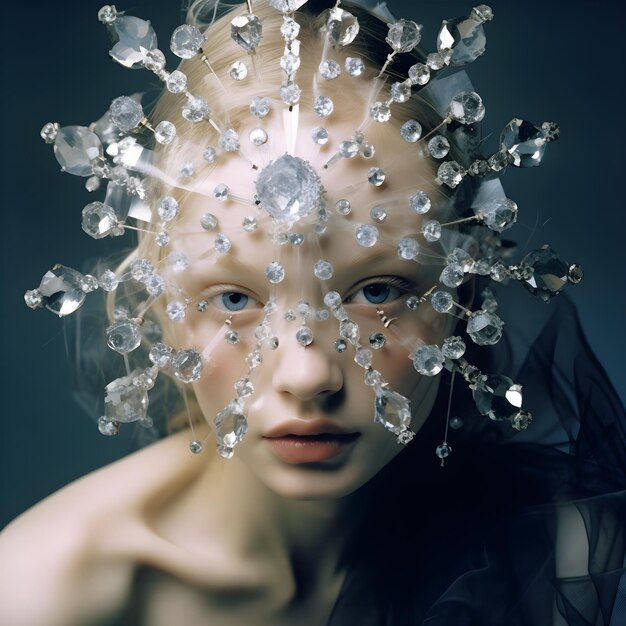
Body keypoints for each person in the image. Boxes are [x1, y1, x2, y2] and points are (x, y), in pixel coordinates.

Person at [1, 1, 624, 624]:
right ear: (161, 310)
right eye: (234, 299)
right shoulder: (44, 593)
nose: (307, 375)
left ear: (458, 296)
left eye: (378, 291)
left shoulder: (555, 548)